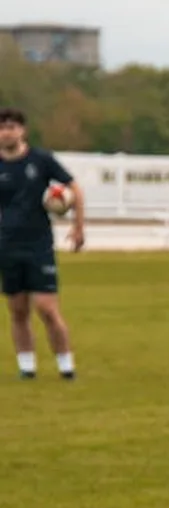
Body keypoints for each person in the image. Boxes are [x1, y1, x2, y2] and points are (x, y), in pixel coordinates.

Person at [0, 107, 85, 380]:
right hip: (6, 246)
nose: (6, 132)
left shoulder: (41, 160)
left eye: (11, 127)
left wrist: (78, 226)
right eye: (2, 128)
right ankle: (27, 368)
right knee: (17, 310)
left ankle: (66, 367)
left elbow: (75, 189)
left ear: (22, 131)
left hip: (38, 245)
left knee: (47, 309)